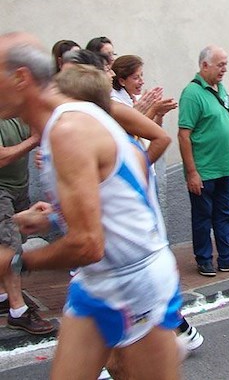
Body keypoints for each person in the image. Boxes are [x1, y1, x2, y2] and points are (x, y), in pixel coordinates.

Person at [0, 32, 181, 379]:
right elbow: (127, 172)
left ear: (21, 78)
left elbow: (87, 244)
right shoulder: (75, 115)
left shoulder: (69, 130)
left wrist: (18, 261)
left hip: (136, 282)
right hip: (96, 283)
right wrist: (56, 216)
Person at [178, 45, 229, 277]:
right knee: (203, 218)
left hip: (226, 166)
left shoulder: (220, 89)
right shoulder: (192, 94)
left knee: (224, 214)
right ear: (204, 65)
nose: (224, 69)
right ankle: (204, 259)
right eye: (220, 65)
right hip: (205, 169)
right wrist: (192, 172)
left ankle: (227, 258)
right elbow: (184, 135)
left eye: (225, 64)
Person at [0, 118, 54, 335]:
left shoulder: (13, 113)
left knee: (11, 241)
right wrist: (34, 140)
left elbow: (37, 131)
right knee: (10, 247)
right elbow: (2, 157)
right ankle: (18, 310)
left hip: (18, 186)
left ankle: (3, 296)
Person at [111, 55, 177, 126]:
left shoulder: (137, 98)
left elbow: (154, 129)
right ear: (122, 81)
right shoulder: (115, 101)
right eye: (136, 78)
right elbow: (137, 128)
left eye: (141, 75)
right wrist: (153, 110)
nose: (142, 82)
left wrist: (159, 115)